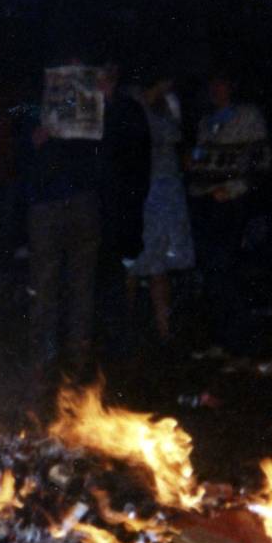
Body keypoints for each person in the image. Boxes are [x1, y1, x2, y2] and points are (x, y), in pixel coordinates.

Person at [28, 53, 105, 387]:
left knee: (81, 282)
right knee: (45, 282)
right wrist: (35, 137)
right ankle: (46, 353)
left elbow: (107, 142)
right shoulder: (37, 100)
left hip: (83, 200)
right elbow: (21, 141)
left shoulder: (95, 95)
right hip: (45, 202)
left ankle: (78, 355)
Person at [186, 68, 272, 355]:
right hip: (206, 202)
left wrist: (234, 189)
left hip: (232, 203)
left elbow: (260, 160)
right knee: (212, 272)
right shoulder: (206, 122)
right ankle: (218, 339)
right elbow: (201, 157)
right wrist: (193, 166)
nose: (216, 88)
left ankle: (236, 340)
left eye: (221, 82)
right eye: (213, 82)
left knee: (226, 270)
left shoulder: (248, 116)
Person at [128, 72, 194, 344]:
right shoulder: (133, 98)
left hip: (168, 189)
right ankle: (127, 326)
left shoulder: (169, 103)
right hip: (140, 190)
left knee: (160, 265)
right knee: (132, 262)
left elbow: (178, 137)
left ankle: (163, 330)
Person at [95, 61, 151, 357]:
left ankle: (120, 340)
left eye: (105, 78)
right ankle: (104, 339)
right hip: (94, 206)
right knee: (98, 273)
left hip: (121, 206)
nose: (101, 83)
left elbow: (140, 160)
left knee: (118, 272)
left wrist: (133, 200)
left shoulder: (128, 110)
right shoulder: (88, 111)